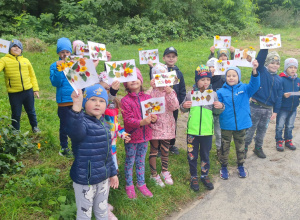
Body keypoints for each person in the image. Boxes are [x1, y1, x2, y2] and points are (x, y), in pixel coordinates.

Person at [66, 84, 118, 220]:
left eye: (101, 101)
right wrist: (76, 107)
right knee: (84, 215)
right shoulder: (81, 121)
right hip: (85, 181)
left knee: (102, 211)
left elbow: (108, 154)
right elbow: (75, 132)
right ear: (84, 102)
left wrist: (113, 173)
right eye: (92, 99)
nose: (97, 104)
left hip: (103, 179)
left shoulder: (105, 126)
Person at [181, 65, 224, 191]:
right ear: (196, 80)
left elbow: (217, 112)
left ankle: (204, 175)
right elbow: (182, 109)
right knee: (192, 155)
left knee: (205, 154)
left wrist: (220, 106)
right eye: (202, 79)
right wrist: (184, 105)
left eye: (208, 80)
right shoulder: (190, 94)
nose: (205, 82)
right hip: (192, 132)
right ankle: (194, 176)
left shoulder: (213, 95)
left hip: (207, 132)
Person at [217, 62, 260, 180]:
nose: (231, 78)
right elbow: (218, 108)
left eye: (234, 75)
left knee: (240, 146)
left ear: (239, 77)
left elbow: (255, 85)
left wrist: (255, 71)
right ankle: (224, 167)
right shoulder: (220, 92)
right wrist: (219, 106)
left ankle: (240, 165)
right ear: (225, 77)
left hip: (242, 124)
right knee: (224, 146)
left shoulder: (245, 89)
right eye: (228, 75)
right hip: (226, 124)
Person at [121, 68, 157, 199]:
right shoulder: (125, 101)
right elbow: (128, 120)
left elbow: (153, 114)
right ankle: (129, 185)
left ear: (141, 81)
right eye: (129, 79)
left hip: (145, 136)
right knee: (130, 161)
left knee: (141, 161)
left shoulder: (148, 98)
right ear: (125, 84)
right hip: (131, 137)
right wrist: (142, 122)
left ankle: (141, 184)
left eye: (136, 77)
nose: (133, 81)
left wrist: (154, 119)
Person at [244, 40, 283, 158]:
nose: (274, 65)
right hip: (255, 107)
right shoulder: (261, 71)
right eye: (272, 62)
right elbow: (260, 59)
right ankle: (244, 148)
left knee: (262, 130)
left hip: (268, 110)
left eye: (277, 63)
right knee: (250, 129)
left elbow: (279, 96)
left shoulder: (279, 80)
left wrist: (275, 111)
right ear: (267, 63)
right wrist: (266, 46)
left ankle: (258, 147)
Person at [148, 46, 186, 155]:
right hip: (160, 104)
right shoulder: (159, 69)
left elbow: (182, 89)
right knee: (159, 124)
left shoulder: (178, 73)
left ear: (176, 58)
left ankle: (171, 144)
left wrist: (178, 102)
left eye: (173, 57)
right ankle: (159, 146)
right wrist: (151, 68)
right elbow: (153, 80)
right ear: (163, 58)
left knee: (172, 123)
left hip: (173, 104)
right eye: (168, 56)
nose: (171, 59)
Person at [148, 63, 179, 187]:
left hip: (167, 126)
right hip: (155, 126)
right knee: (154, 150)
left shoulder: (170, 91)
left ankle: (165, 171)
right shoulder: (151, 92)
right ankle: (153, 174)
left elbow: (174, 107)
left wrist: (170, 92)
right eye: (157, 76)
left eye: (163, 76)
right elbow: (148, 108)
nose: (161, 78)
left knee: (165, 150)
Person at [0, 39, 40, 132]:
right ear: (9, 49)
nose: (16, 48)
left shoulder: (26, 60)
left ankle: (35, 127)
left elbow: (32, 75)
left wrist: (35, 89)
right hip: (14, 93)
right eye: (14, 46)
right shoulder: (4, 60)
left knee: (31, 111)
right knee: (16, 113)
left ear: (21, 50)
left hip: (28, 91)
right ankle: (15, 131)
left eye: (19, 47)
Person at [50, 37, 74, 157]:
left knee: (76, 123)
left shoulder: (74, 64)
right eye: (62, 52)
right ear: (58, 53)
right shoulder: (54, 65)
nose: (65, 55)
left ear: (70, 53)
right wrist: (60, 69)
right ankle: (64, 147)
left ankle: (76, 145)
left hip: (75, 100)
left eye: (67, 52)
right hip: (63, 101)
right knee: (64, 125)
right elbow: (56, 83)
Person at [275, 58, 299, 151]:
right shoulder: (281, 79)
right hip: (283, 108)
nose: (293, 69)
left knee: (290, 125)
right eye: (290, 67)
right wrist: (283, 94)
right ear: (286, 68)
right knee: (280, 125)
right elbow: (276, 92)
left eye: (295, 67)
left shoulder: (298, 80)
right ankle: (279, 141)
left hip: (293, 108)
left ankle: (288, 140)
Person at [206, 57, 225, 158]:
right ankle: (206, 149)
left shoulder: (222, 81)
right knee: (207, 133)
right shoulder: (204, 81)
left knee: (218, 133)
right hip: (206, 112)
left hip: (218, 113)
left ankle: (219, 149)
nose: (212, 69)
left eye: (214, 67)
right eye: (210, 67)